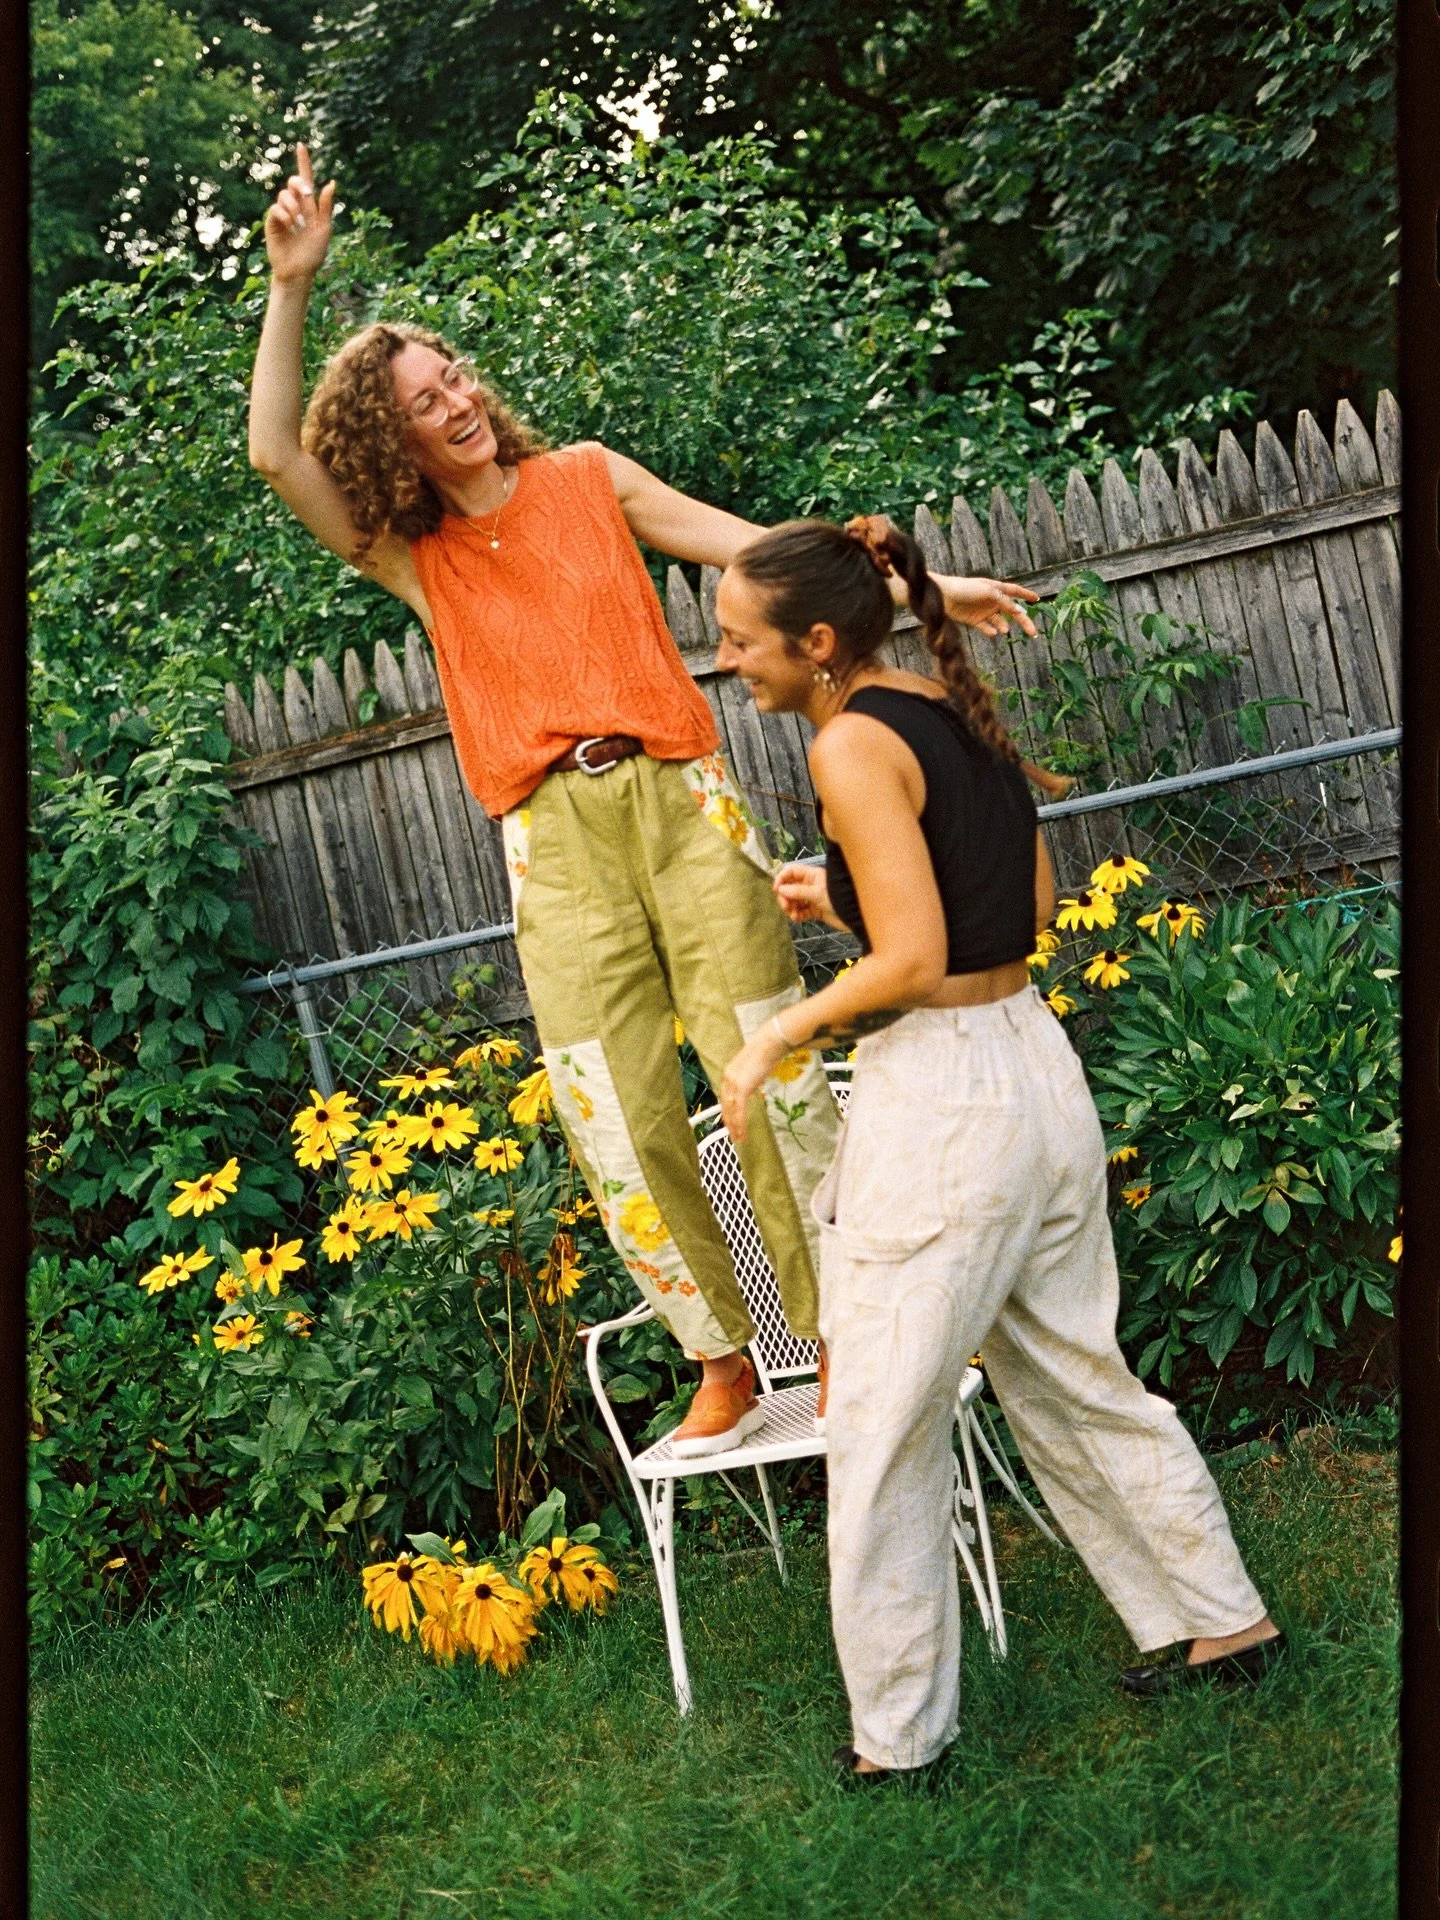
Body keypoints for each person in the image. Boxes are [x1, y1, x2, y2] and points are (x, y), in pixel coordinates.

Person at [247, 146, 1041, 1455]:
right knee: (611, 1106)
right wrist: (292, 287)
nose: (450, 402)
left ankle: (838, 1332)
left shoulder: (588, 481)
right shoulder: (413, 556)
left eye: (452, 379)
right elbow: (275, 452)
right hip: (549, 840)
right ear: (389, 439)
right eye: (420, 400)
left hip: (683, 800)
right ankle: (718, 1356)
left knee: (767, 1062)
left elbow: (763, 556)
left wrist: (926, 593)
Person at [715, 515, 1284, 1782]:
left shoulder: (851, 741)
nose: (728, 665)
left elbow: (913, 963)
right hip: (1033, 1065)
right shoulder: (941, 701)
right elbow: (1018, 910)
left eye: (740, 643)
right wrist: (848, 891)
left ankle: (899, 1740)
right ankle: (1222, 1624)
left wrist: (774, 1039)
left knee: (881, 1423)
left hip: (944, 1108)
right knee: (1081, 1370)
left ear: (816, 644)